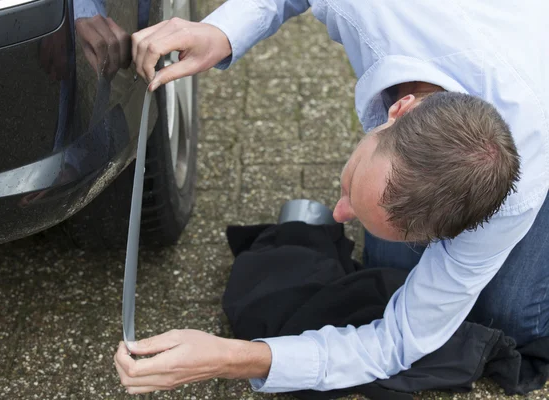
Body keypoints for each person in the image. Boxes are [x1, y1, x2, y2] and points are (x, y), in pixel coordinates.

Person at [114, 0, 549, 395]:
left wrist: (230, 357)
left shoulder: (517, 196)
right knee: (388, 277)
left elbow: (396, 342)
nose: (340, 214)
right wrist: (222, 32)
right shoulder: (371, 11)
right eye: (353, 186)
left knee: (510, 322)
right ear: (401, 108)